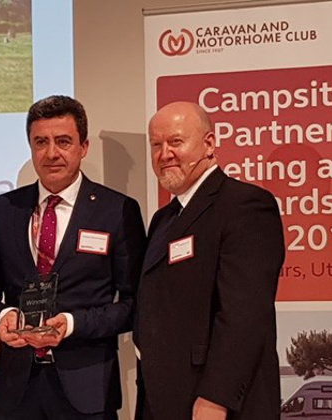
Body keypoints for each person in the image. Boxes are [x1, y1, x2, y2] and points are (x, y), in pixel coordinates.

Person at [0, 95, 146, 419]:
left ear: (84, 146)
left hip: (87, 389)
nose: (51, 153)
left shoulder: (116, 210)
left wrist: (74, 324)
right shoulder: (4, 209)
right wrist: (2, 315)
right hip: (14, 389)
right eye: (41, 142)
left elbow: (135, 304)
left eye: (63, 141)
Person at [134, 102, 285, 420]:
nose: (164, 154)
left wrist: (215, 398)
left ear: (209, 144)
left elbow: (244, 315)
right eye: (156, 145)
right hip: (163, 400)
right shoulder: (163, 219)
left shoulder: (245, 206)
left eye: (176, 141)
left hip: (216, 406)